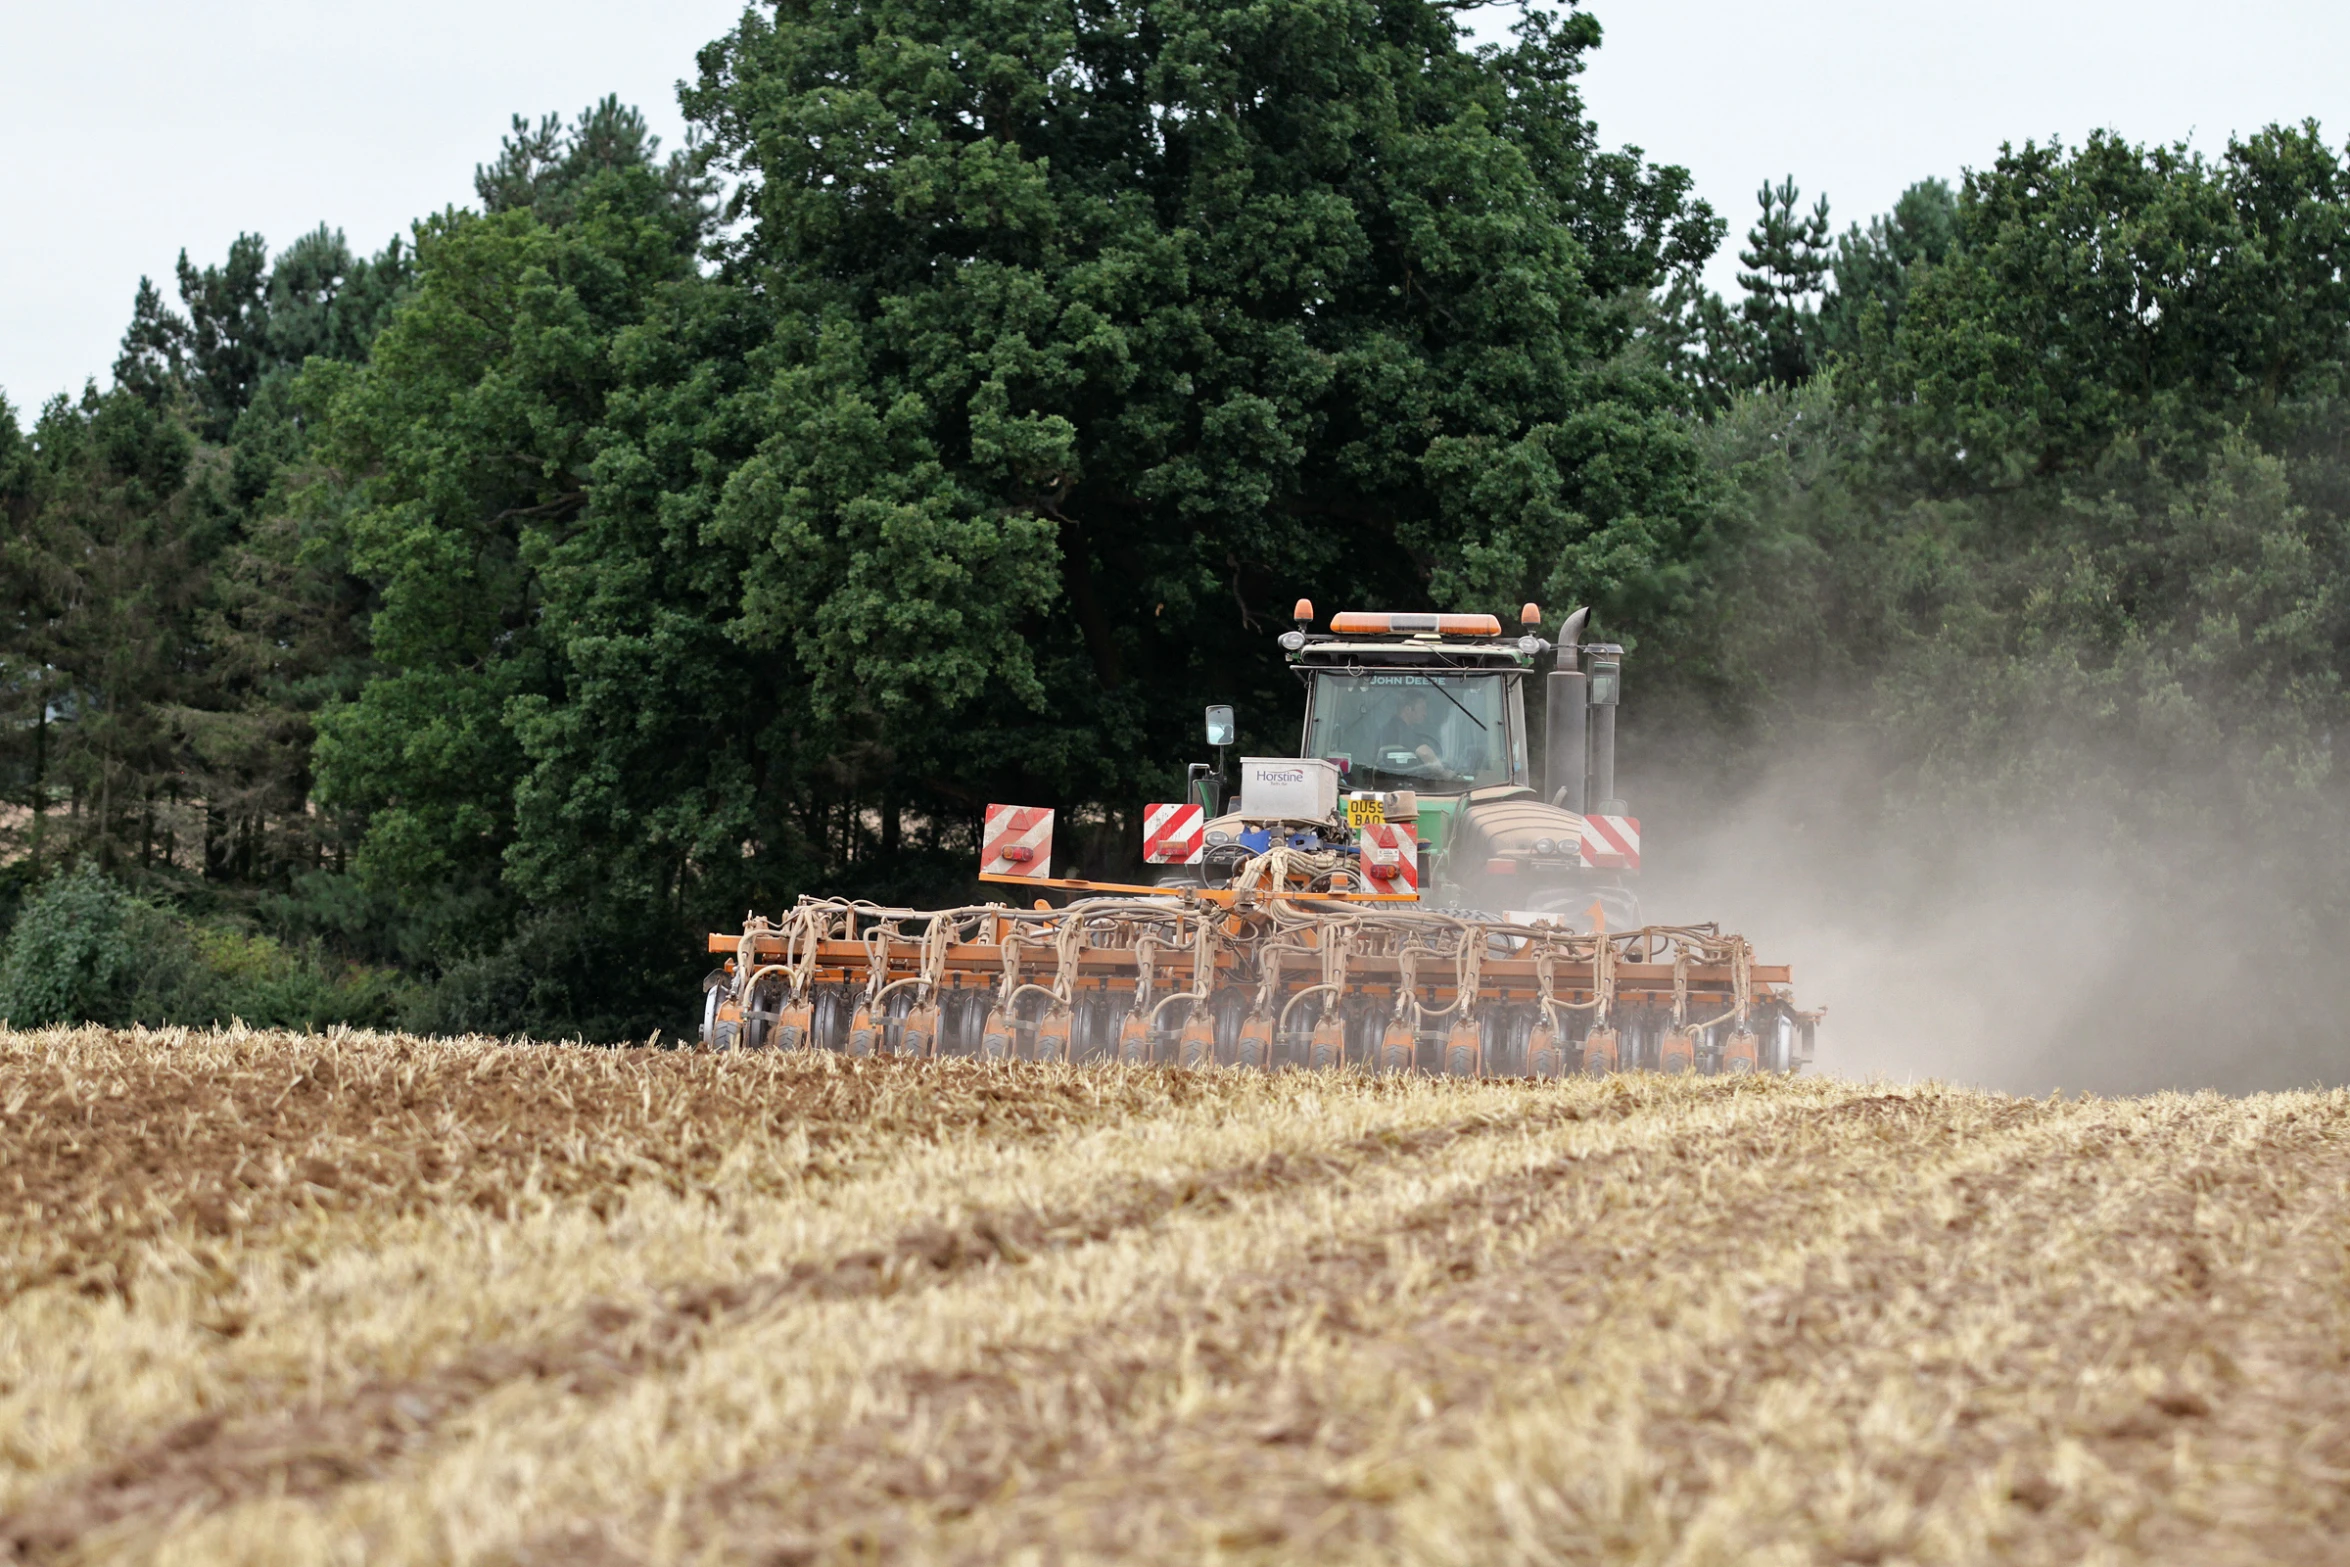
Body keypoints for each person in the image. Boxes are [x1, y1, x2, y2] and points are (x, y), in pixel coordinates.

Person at [1377, 688, 1444, 771]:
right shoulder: (1399, 729)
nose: (1425, 714)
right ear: (1408, 709)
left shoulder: (1390, 727)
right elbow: (1425, 753)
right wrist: (1444, 773)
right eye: (1423, 708)